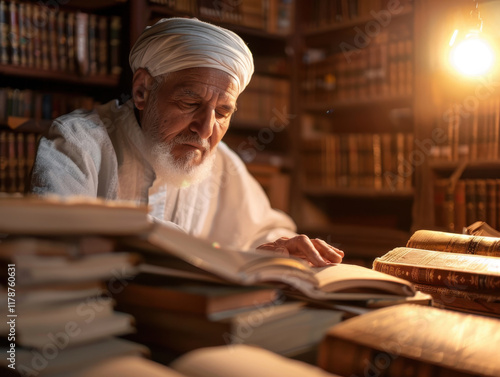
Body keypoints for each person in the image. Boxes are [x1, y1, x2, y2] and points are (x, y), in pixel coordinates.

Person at [30, 17, 344, 267]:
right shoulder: (78, 141)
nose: (206, 130)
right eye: (190, 103)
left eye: (223, 111)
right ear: (142, 91)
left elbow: (261, 229)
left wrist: (281, 245)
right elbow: (54, 244)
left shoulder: (221, 161)